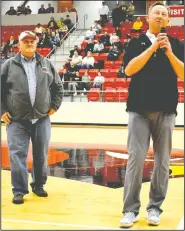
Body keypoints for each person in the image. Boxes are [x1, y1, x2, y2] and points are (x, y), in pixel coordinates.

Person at [119, 2, 184, 228]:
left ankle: (154, 208)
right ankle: (130, 210)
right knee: (135, 160)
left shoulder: (176, 44)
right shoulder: (136, 42)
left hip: (166, 109)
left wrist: (169, 52)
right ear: (148, 16)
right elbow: (128, 70)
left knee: (163, 163)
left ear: (168, 20)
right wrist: (152, 48)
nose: (160, 16)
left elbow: (183, 73)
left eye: (164, 14)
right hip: (138, 109)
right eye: (156, 12)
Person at [1, 31, 63, 204]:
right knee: (17, 155)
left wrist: (54, 107)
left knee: (41, 154)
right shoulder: (9, 65)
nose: (29, 43)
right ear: (18, 45)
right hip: (16, 120)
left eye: (32, 41)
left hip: (41, 119)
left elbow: (58, 88)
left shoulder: (46, 64)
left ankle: (38, 185)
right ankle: (19, 190)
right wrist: (1, 110)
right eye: (25, 41)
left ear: (37, 43)